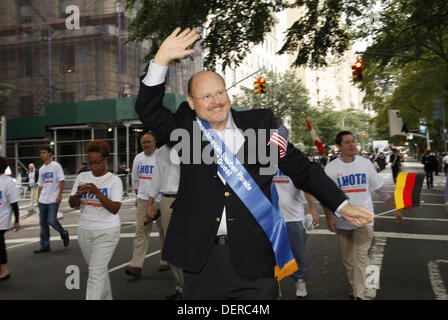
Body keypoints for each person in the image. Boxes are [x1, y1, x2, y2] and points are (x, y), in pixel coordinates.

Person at [134, 27, 373, 299]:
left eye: (220, 92)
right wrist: (161, 60)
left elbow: (303, 169)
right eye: (206, 96)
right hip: (200, 260)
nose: (216, 101)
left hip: (254, 258)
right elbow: (148, 111)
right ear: (191, 102)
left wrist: (341, 204)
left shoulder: (261, 126)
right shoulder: (184, 128)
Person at [323, 131, 403, 300]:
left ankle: (360, 295)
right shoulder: (331, 168)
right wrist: (329, 218)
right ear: (339, 147)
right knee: (349, 261)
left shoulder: (365, 164)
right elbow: (325, 196)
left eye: (353, 141)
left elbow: (380, 189)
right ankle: (355, 288)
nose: (352, 145)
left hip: (365, 220)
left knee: (360, 257)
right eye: (347, 142)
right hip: (342, 221)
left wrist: (395, 208)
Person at [68, 140, 123, 300]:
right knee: (97, 270)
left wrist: (97, 192)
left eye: (96, 162)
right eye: (90, 162)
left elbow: (115, 209)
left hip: (107, 231)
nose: (93, 166)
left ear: (105, 160)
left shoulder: (114, 180)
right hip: (85, 230)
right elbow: (72, 204)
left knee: (95, 273)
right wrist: (78, 194)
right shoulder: (82, 176)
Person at [125, 132, 167, 278]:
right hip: (143, 199)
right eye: (143, 143)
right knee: (141, 232)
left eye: (149, 142)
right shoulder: (138, 158)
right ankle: (136, 265)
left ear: (155, 142)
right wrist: (137, 197)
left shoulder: (162, 157)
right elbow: (135, 179)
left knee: (164, 232)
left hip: (160, 199)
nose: (146, 145)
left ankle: (165, 260)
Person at [273, 168, 319, 298]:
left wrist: (312, 208)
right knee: (271, 254)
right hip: (271, 216)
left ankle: (300, 280)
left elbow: (306, 186)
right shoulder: (262, 159)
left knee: (298, 253)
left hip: (293, 216)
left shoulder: (292, 160)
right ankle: (273, 285)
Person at [147, 144, 183, 299]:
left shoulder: (188, 147)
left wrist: (176, 148)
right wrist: (150, 203)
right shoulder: (160, 152)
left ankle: (193, 287)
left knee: (188, 244)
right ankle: (180, 288)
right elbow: (156, 177)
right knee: (171, 246)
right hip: (166, 201)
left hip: (184, 200)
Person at [34, 146, 69, 253]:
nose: (42, 155)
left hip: (53, 199)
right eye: (41, 153)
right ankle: (45, 246)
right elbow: (40, 185)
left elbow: (61, 181)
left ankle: (64, 233)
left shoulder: (56, 166)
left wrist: (59, 195)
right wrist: (38, 198)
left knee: (51, 220)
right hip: (43, 199)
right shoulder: (41, 169)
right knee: (43, 223)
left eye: (44, 152)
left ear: (50, 153)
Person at [0, 157, 20, 281]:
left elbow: (14, 203)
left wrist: (17, 220)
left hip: (2, 219)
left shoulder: (8, 182)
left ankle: (5, 270)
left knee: (0, 245)